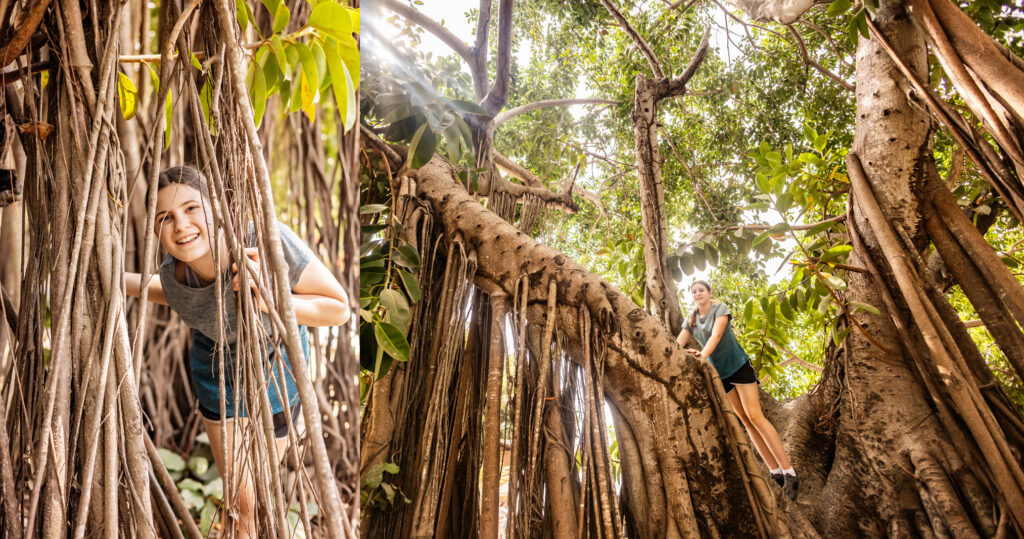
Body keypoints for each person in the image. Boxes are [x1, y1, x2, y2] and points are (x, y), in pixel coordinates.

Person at [126, 165, 350, 536]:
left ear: (216, 206)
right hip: (215, 374)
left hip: (277, 373)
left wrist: (272, 300)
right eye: (166, 217)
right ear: (154, 228)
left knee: (259, 496)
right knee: (239, 503)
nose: (181, 224)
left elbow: (339, 308)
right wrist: (110, 279)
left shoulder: (264, 238)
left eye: (192, 208)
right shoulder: (173, 277)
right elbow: (171, 295)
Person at [675, 280, 798, 500]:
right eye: (693, 291)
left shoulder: (719, 309)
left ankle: (789, 471)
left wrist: (702, 356)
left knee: (755, 415)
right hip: (720, 374)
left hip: (738, 366)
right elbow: (679, 342)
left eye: (701, 290)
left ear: (709, 292)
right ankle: (775, 472)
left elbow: (716, 336)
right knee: (745, 420)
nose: (697, 294)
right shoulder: (691, 318)